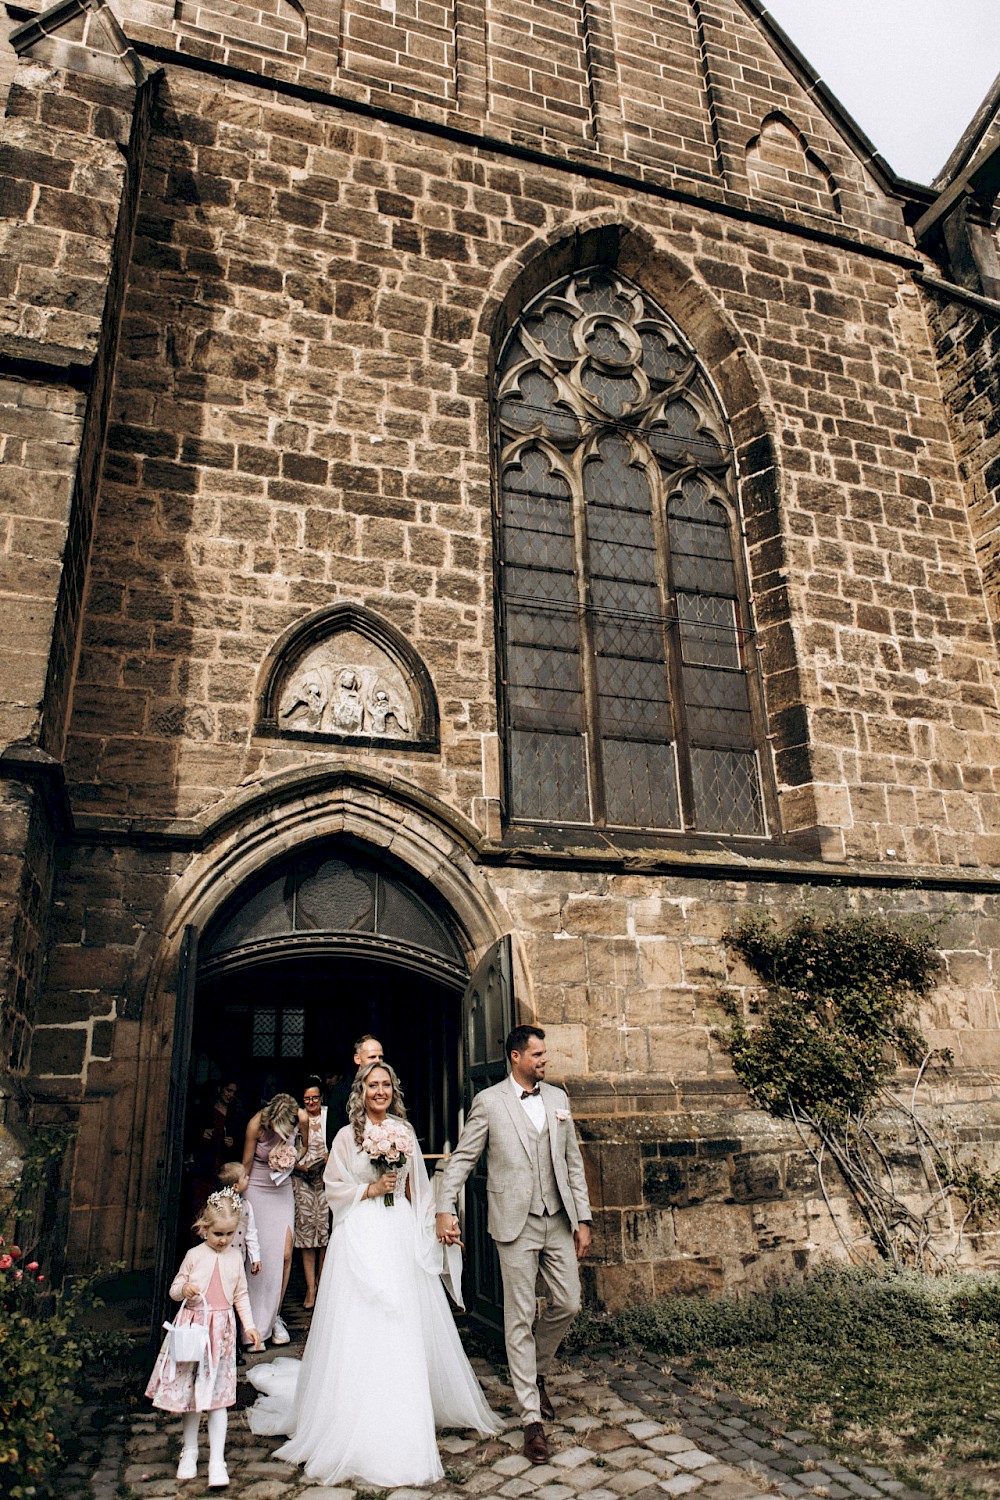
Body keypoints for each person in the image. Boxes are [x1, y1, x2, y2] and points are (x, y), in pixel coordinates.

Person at [247, 1061, 500, 1486]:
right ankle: (355, 1411)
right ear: (360, 1091)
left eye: (385, 1085)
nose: (379, 1091)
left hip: (397, 1230)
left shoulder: (403, 1130)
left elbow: (419, 1189)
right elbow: (332, 1187)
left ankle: (403, 1408)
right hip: (359, 1234)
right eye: (372, 1085)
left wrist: (440, 1221)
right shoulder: (347, 1136)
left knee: (401, 1317)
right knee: (361, 1321)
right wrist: (369, 1188)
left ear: (393, 1090)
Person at [435, 1024, 592, 1466]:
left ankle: (536, 1371)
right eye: (537, 1054)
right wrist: (445, 1207)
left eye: (545, 1054)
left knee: (568, 1303)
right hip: (514, 1224)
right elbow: (463, 1159)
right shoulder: (489, 1103)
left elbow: (573, 1164)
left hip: (558, 1219)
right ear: (516, 1057)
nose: (544, 1060)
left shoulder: (559, 1100)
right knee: (519, 1316)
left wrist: (583, 1218)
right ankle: (530, 1420)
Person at [146, 1191, 262, 1487]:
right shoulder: (195, 1255)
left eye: (229, 1233)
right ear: (204, 1228)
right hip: (194, 1331)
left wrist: (249, 1325)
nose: (223, 1240)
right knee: (192, 1398)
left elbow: (241, 1295)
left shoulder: (235, 1258)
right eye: (217, 1233)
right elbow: (175, 1288)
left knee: (218, 1398)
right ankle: (190, 1450)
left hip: (221, 1335)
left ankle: (217, 1460)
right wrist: (184, 1290)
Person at [241, 1092, 307, 1347]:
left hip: (281, 1188)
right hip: (257, 1184)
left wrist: (290, 1159)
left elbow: (304, 1148)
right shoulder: (256, 1124)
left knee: (285, 1253)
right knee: (256, 1254)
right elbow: (246, 1164)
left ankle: (274, 1317)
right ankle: (250, 1324)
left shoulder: (300, 1117)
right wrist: (237, 1197)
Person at [292, 1077, 329, 1309]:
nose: (311, 1102)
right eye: (307, 1098)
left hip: (326, 1181)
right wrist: (299, 1166)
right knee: (307, 1237)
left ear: (321, 1097)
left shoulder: (329, 1116)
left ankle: (323, 1284)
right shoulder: (296, 1119)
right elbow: (285, 1151)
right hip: (303, 1180)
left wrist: (329, 1157)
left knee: (324, 1234)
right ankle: (311, 1289)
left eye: (315, 1097)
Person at [189, 1081, 238, 1221]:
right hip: (204, 1167)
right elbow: (188, 1134)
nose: (230, 1095)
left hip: (223, 1168)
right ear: (220, 1089)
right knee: (200, 1209)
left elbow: (239, 1142)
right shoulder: (204, 1111)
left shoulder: (234, 1116)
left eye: (234, 1092)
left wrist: (232, 1143)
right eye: (228, 1090)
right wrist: (201, 1134)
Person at [324, 1034, 383, 1148]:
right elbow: (333, 1136)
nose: (378, 1061)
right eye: (372, 1057)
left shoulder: (389, 1088)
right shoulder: (341, 1091)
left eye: (380, 1057)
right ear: (357, 1059)